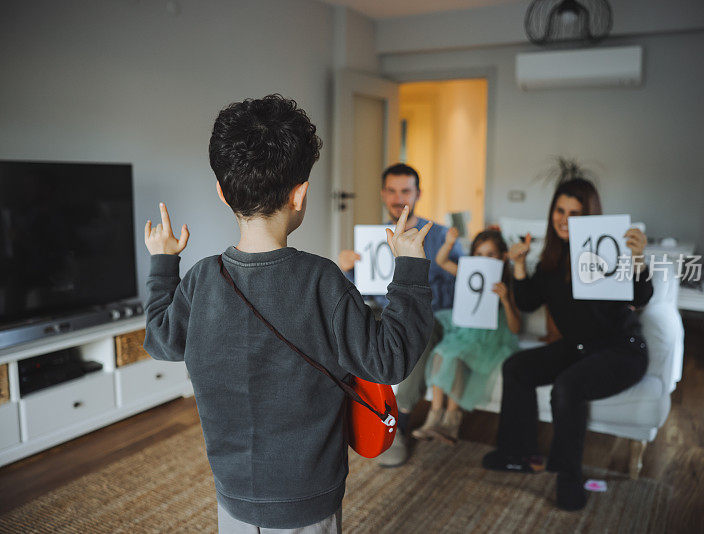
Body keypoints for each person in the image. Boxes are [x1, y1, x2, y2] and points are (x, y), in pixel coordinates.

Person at [142, 95, 435, 533]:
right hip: (308, 498)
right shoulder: (321, 280)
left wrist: (164, 263)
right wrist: (409, 270)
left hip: (233, 493)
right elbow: (389, 358)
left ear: (222, 193)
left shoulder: (201, 280)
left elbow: (159, 340)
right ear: (300, 195)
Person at [481, 176, 652, 512]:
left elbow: (641, 295)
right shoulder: (553, 260)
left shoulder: (607, 250)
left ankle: (568, 477)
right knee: (516, 367)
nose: (564, 219)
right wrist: (517, 264)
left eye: (574, 214)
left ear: (588, 219)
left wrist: (638, 260)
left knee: (567, 387)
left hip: (622, 350)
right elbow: (528, 301)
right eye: (560, 210)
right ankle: (518, 454)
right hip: (579, 348)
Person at [338, 163, 465, 467]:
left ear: (418, 193)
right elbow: (360, 292)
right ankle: (350, 414)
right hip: (380, 309)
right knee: (347, 325)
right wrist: (344, 269)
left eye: (405, 191)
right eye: (391, 191)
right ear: (383, 194)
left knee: (415, 337)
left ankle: (398, 426)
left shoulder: (442, 237)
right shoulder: (372, 237)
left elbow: (460, 288)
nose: (398, 198)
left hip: (427, 314)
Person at [412, 228, 521, 444]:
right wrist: (449, 243)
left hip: (491, 336)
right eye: (479, 255)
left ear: (503, 257)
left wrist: (506, 300)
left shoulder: (509, 284)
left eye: (490, 255)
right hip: (466, 330)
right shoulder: (469, 272)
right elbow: (442, 261)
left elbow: (516, 327)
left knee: (458, 357)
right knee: (441, 351)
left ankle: (451, 421)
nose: (484, 260)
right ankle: (434, 417)